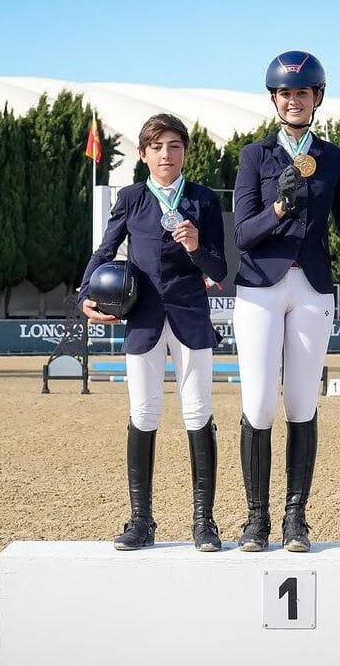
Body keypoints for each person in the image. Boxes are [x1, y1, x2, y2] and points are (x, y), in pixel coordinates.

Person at [78, 114, 228, 552]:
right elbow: (104, 250)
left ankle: (204, 521)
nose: (167, 154)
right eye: (158, 147)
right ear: (144, 155)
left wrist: (197, 246)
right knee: (144, 414)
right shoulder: (131, 198)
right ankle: (141, 520)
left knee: (197, 412)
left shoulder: (201, 200)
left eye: (175, 146)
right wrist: (84, 295)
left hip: (190, 316)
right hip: (142, 318)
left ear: (185, 153)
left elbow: (219, 269)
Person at [232, 50, 340, 552]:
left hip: (312, 287)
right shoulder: (253, 156)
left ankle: (295, 518)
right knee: (259, 403)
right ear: (275, 99)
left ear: (316, 98)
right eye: (286, 93)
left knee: (302, 401)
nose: (294, 100)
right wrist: (279, 207)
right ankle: (256, 519)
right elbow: (242, 233)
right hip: (260, 285)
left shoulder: (332, 158)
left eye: (303, 92)